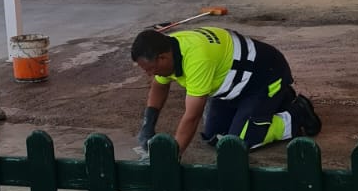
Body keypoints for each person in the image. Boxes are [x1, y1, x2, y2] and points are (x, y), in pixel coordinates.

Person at [130, 25, 319, 157]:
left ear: (162, 58)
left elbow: (192, 116)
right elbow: (159, 86)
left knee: (237, 144)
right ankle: (277, 102)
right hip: (234, 87)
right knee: (216, 136)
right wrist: (148, 125)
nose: (149, 74)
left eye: (150, 69)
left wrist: (173, 157)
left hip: (266, 76)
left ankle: (296, 114)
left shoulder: (197, 59)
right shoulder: (169, 48)